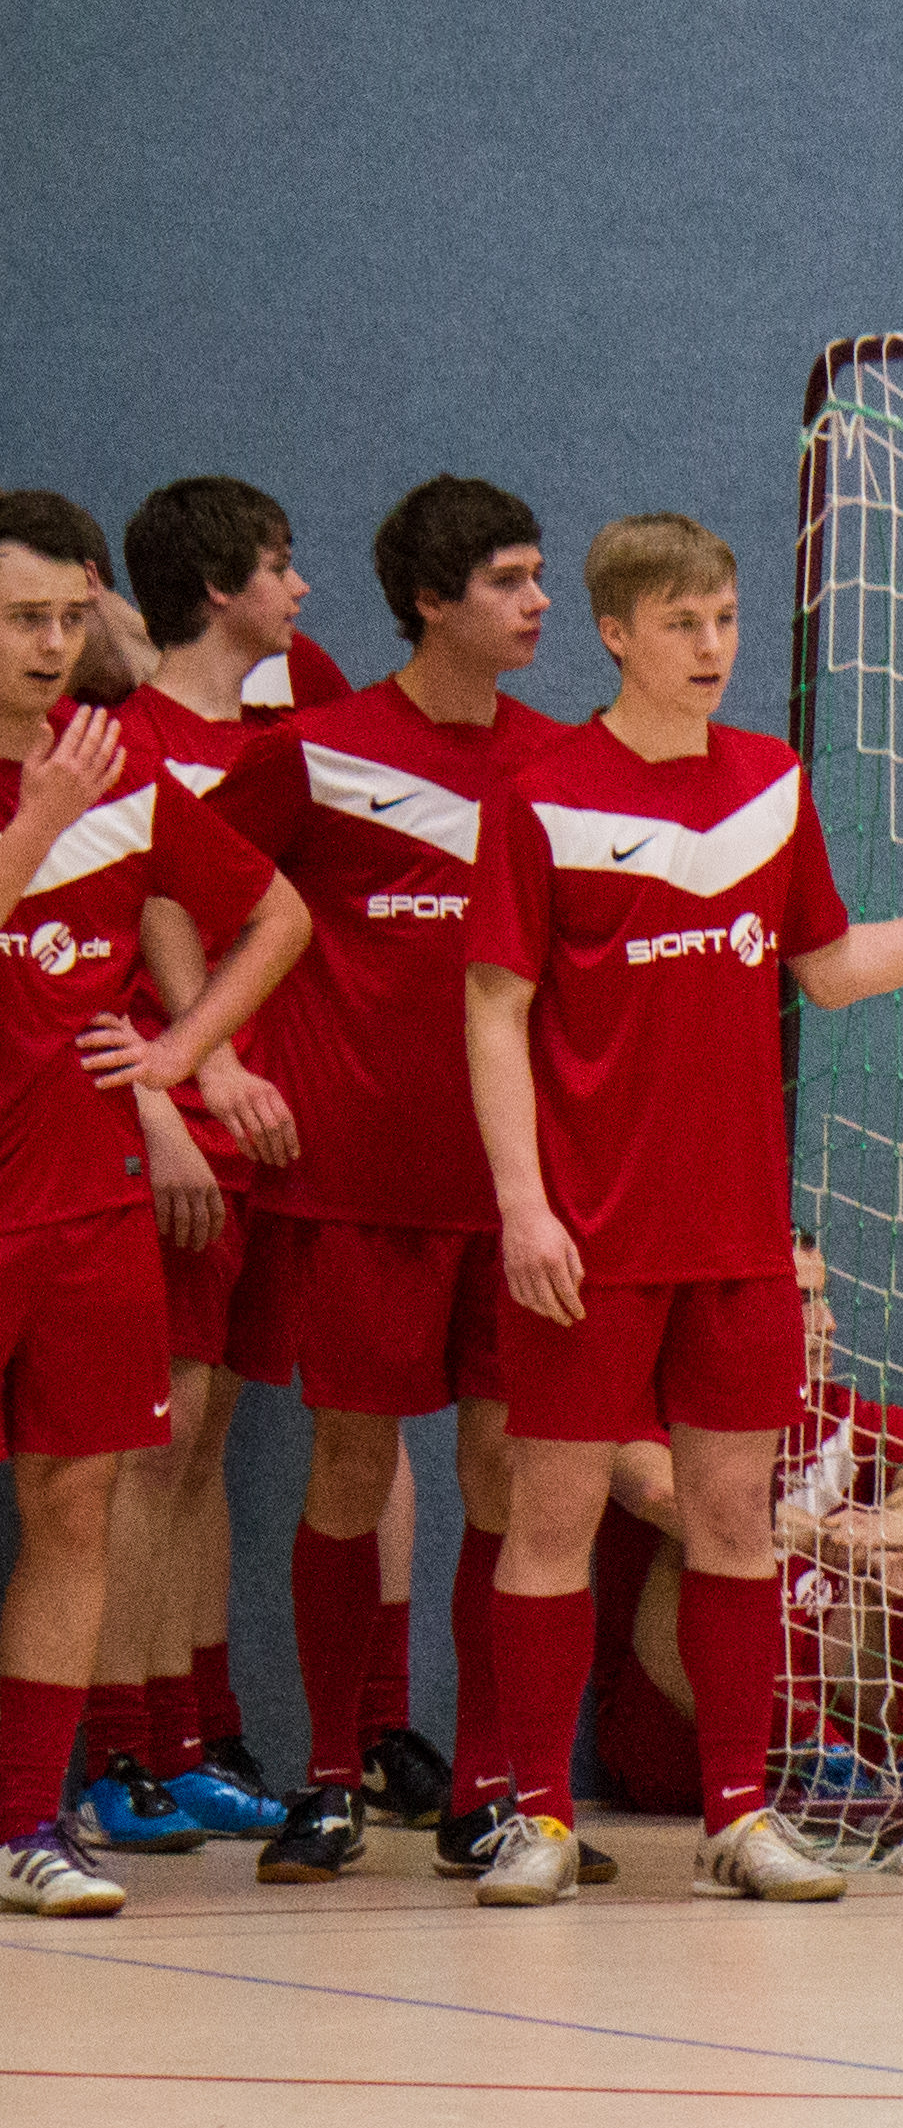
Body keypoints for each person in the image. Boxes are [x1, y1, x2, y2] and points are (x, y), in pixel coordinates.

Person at [461, 512, 903, 1910]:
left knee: (737, 1521)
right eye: (682, 623)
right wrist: (524, 1205)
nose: (712, 645)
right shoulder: (541, 792)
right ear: (616, 633)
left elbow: (831, 968)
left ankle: (740, 1813)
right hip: (586, 1237)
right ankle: (535, 1817)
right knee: (548, 1522)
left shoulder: (772, 784)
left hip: (735, 1239)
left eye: (724, 619)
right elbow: (492, 1007)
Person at [205, 478, 564, 1881]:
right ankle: (328, 1778)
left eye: (539, 574)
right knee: (352, 1462)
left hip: (512, 1192)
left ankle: (484, 1789)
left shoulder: (556, 764)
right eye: (506, 580)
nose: (536, 603)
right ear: (427, 599)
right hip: (353, 1178)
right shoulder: (314, 752)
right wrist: (211, 1054)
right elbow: (177, 891)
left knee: (499, 1469)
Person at [0, 491, 309, 1919]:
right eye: (23, 619)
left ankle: (26, 1822)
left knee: (75, 1506)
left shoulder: (118, 769)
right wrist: (39, 822)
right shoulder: (69, 788)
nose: (52, 644)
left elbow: (279, 917)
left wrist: (182, 1055)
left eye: (71, 617)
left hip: (86, 1208)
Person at [66, 476, 350, 1854]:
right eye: (279, 564)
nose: (302, 588)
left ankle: (186, 1741)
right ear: (222, 585)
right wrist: (175, 1092)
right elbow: (122, 940)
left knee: (207, 1445)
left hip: (270, 1127)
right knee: (148, 1446)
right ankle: (116, 1748)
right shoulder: (122, 742)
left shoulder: (287, 726)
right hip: (170, 1119)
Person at [592, 1232, 903, 1817]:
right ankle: (807, 1748)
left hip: (841, 1720)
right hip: (680, 1736)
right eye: (802, 1301)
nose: (828, 1323)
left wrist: (890, 1527)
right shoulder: (653, 1410)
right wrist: (826, 1538)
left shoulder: (846, 1416)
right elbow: (662, 1492)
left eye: (824, 1297)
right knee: (703, 1538)